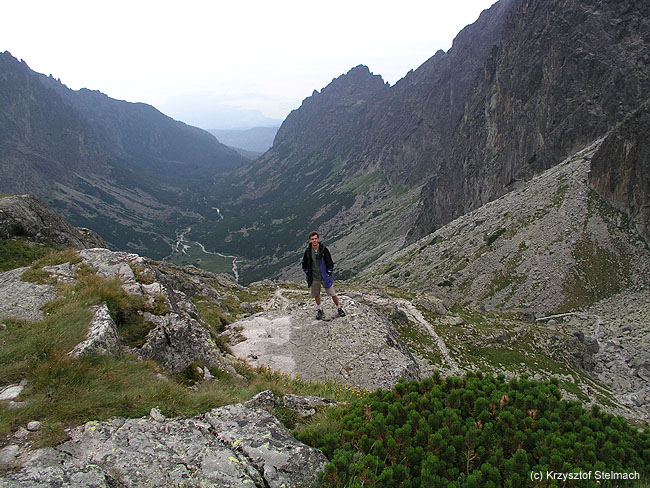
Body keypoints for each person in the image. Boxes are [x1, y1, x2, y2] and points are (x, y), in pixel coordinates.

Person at [301, 231, 346, 319]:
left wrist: (329, 272)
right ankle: (320, 309)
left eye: (315, 239)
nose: (314, 241)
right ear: (310, 241)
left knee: (332, 293)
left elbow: (329, 261)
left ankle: (339, 308)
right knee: (316, 294)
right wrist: (307, 272)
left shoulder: (324, 250)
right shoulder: (308, 251)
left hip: (325, 276)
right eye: (312, 239)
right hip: (314, 277)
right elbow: (304, 263)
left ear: (318, 239)